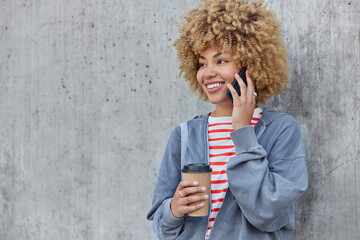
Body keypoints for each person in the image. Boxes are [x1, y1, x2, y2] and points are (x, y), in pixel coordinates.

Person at [147, 0, 308, 239]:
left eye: (221, 61)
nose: (208, 72)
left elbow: (267, 211)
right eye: (202, 63)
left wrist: (243, 131)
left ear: (250, 65)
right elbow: (162, 228)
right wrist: (174, 209)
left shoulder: (281, 130)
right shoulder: (184, 135)